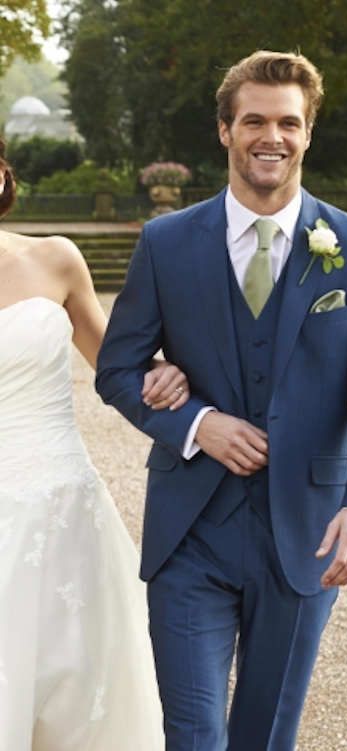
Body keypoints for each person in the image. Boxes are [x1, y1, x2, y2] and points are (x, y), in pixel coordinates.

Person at [96, 50, 347, 751]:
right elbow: (116, 367)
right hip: (191, 537)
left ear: (307, 133)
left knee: (265, 736)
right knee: (195, 733)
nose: (271, 136)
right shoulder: (167, 242)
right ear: (224, 131)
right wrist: (194, 422)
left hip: (305, 535)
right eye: (254, 121)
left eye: (288, 122)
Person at [0, 138, 190, 751]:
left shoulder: (55, 259)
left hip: (63, 510)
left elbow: (116, 366)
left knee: (80, 690)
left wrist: (173, 383)